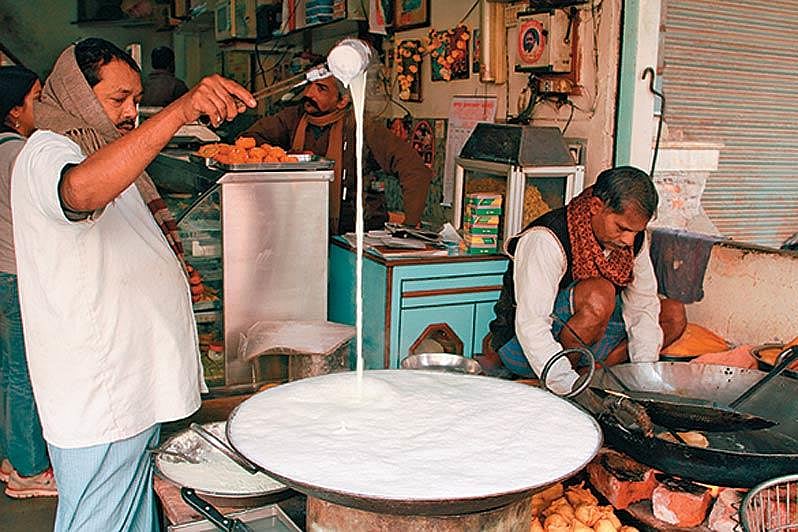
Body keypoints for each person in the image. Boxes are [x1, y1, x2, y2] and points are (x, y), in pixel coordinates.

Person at [11, 38, 254, 531]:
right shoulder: (47, 152)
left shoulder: (102, 152)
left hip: (130, 389)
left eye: (136, 100)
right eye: (117, 99)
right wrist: (180, 110)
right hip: (102, 395)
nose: (131, 113)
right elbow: (79, 192)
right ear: (78, 96)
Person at [489, 166, 686, 394]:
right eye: (622, 228)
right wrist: (566, 385)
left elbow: (643, 306)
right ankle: (572, 383)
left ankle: (602, 373)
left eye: (635, 231)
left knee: (673, 314)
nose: (630, 240)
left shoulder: (633, 239)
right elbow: (532, 326)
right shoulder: (546, 239)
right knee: (600, 293)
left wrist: (645, 377)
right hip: (522, 347)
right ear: (596, 207)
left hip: (591, 336)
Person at [241, 67, 434, 234]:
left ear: (342, 100)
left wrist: (410, 225)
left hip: (352, 234)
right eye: (309, 85)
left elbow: (414, 169)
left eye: (321, 88)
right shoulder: (292, 118)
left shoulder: (362, 127)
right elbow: (247, 141)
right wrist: (287, 158)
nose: (309, 93)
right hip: (297, 226)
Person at [0, 65, 58, 499]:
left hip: (2, 273)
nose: (42, 106)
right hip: (17, 274)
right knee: (24, 372)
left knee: (8, 369)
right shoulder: (21, 155)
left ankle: (14, 454)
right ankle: (29, 469)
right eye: (36, 98)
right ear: (14, 112)